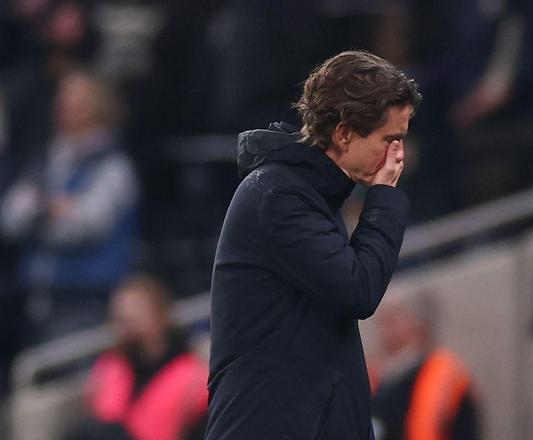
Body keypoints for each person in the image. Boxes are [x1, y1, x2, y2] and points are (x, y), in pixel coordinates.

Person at [205, 50, 421, 439]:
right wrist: (384, 198)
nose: (398, 155)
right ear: (344, 133)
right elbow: (358, 290)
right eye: (390, 140)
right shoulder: (280, 195)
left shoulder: (310, 195)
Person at [0, 68, 139, 342]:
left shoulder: (114, 167)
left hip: (89, 301)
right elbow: (10, 219)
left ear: (98, 108)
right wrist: (50, 210)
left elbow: (82, 226)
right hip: (36, 296)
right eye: (63, 103)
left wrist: (41, 215)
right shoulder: (46, 161)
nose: (66, 110)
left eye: (77, 104)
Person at [63, 274, 208, 440]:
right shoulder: (110, 367)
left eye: (135, 316)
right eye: (121, 318)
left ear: (159, 315)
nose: (128, 325)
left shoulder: (193, 375)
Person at [371, 294, 480, 440]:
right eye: (381, 321)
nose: (383, 330)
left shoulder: (447, 377)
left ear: (418, 324)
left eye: (392, 320)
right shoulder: (378, 379)